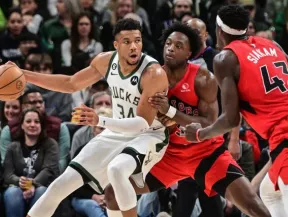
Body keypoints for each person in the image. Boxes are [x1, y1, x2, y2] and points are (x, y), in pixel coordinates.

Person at [0, 18, 168, 217]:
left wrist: (100, 120)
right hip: (117, 132)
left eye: (137, 41)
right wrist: (24, 74)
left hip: (148, 135)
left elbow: (141, 124)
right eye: (127, 41)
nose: (134, 47)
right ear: (116, 45)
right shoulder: (105, 61)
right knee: (60, 184)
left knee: (117, 170)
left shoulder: (153, 73)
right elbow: (70, 84)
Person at [103, 22, 271, 217]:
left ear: (190, 53)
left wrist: (171, 112)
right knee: (112, 192)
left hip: (205, 153)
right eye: (168, 43)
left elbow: (210, 123)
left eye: (178, 46)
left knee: (253, 206)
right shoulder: (152, 76)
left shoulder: (203, 79)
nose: (170, 49)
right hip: (168, 155)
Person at [183, 4, 288, 217]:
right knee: (269, 192)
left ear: (219, 30)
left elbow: (230, 119)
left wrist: (201, 134)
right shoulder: (271, 44)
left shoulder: (225, 59)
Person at [3, 108, 59, 217]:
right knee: (12, 193)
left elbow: (49, 170)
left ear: (41, 125)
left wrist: (33, 184)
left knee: (41, 191)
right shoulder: (13, 147)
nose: (32, 125)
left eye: (37, 122)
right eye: (28, 121)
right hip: (17, 187)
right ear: (22, 125)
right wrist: (19, 181)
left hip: (42, 186)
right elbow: (7, 174)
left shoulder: (51, 144)